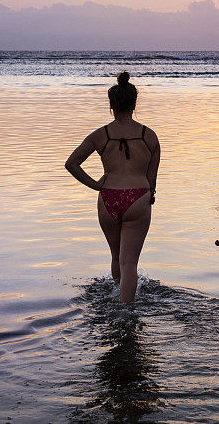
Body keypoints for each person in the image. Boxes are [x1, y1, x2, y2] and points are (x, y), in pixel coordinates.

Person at [65, 72, 160, 302]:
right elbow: (152, 179)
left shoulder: (101, 135)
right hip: (138, 197)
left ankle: (117, 299)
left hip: (108, 199)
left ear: (111, 105)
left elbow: (71, 164)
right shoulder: (149, 137)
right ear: (134, 104)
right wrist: (149, 196)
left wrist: (96, 185)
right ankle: (126, 312)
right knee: (130, 262)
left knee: (116, 257)